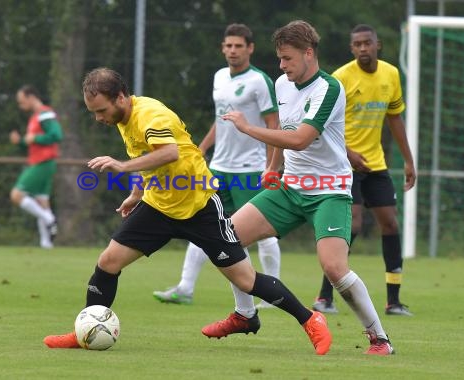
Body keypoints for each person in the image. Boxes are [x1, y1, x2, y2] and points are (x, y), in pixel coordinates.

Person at [43, 67, 333, 355]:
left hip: (199, 206)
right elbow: (146, 158)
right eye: (93, 113)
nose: (98, 118)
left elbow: (169, 153)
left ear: (120, 97)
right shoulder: (122, 117)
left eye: (101, 111)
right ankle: (85, 331)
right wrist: (135, 193)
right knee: (108, 262)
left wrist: (121, 166)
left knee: (245, 280)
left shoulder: (150, 115)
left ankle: (310, 319)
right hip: (159, 206)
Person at [202, 20, 394, 355]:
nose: (282, 65)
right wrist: (273, 168)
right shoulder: (282, 83)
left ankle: (379, 339)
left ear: (308, 53)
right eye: (279, 58)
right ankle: (245, 315)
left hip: (328, 191)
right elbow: (285, 130)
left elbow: (300, 139)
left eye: (288, 58)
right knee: (226, 237)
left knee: (334, 268)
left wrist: (248, 129)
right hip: (290, 188)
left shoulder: (329, 89)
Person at [152, 23, 282, 310]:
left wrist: (272, 165)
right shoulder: (220, 76)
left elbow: (274, 125)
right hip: (219, 166)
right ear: (223, 48)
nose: (232, 50)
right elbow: (221, 118)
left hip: (250, 168)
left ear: (250, 48)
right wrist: (203, 148)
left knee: (262, 230)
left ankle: (272, 293)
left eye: (238, 46)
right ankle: (185, 288)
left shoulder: (260, 81)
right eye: (228, 45)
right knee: (202, 221)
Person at [312, 24, 416, 316]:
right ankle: (324, 296)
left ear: (377, 44)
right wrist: (347, 153)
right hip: (343, 163)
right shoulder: (340, 78)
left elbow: (395, 118)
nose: (362, 49)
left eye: (367, 43)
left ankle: (393, 301)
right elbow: (321, 125)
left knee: (390, 224)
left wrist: (408, 160)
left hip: (375, 164)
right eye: (357, 44)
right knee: (353, 225)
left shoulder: (391, 74)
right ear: (351, 48)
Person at [9, 85, 62, 249]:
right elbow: (32, 141)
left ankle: (49, 219)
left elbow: (57, 135)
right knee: (41, 201)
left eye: (22, 101)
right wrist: (21, 141)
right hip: (41, 162)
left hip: (43, 163)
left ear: (31, 97)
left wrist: (35, 138)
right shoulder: (35, 117)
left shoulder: (44, 113)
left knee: (16, 195)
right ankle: (46, 244)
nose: (20, 105)